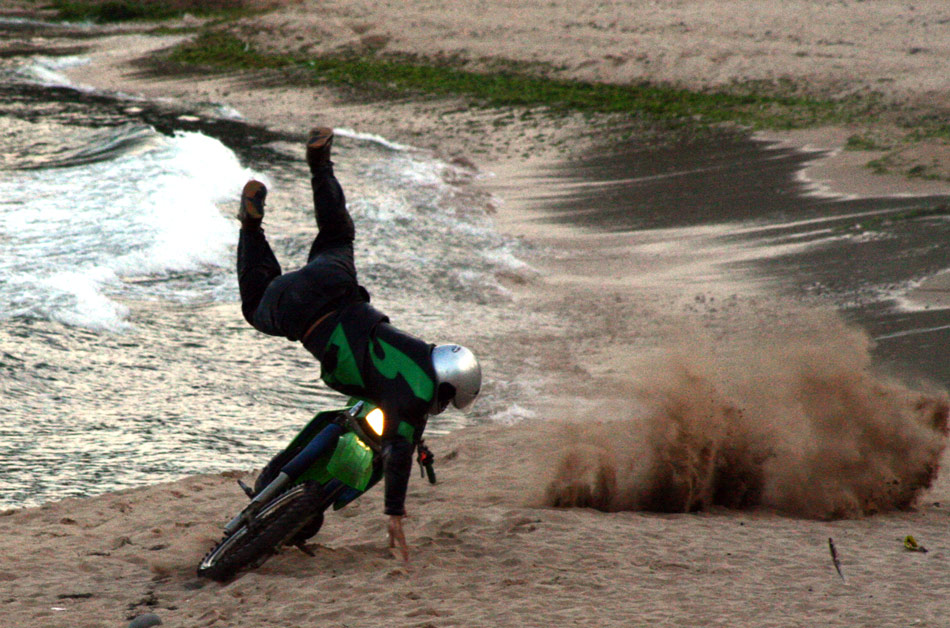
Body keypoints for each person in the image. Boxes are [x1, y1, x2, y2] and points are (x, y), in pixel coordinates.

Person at [234, 126, 482, 562]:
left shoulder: (416, 354)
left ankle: (316, 167)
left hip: (335, 281)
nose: (441, 403)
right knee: (256, 305)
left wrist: (419, 441)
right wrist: (394, 512)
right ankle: (252, 228)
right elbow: (399, 452)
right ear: (446, 385)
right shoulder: (414, 399)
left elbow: (405, 419)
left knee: (336, 234)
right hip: (302, 315)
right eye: (447, 398)